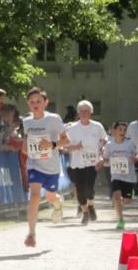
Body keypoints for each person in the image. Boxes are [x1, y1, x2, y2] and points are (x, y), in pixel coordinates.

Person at [21, 87, 69, 246]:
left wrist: (51, 144)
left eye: (38, 101)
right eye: (32, 102)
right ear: (28, 104)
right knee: (34, 196)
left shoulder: (53, 119)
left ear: (45, 103)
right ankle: (31, 234)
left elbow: (67, 141)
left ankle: (58, 204)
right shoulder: (26, 122)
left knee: (51, 197)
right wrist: (26, 147)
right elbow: (25, 145)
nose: (35, 104)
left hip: (51, 167)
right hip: (34, 165)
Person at [65, 100, 107, 225]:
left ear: (91, 112)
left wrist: (102, 151)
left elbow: (105, 140)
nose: (84, 113)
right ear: (78, 113)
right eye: (82, 111)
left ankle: (91, 204)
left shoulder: (97, 126)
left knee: (89, 188)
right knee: (80, 189)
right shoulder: (71, 128)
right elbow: (65, 147)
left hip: (92, 162)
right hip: (77, 163)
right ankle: (85, 212)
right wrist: (75, 147)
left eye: (87, 111)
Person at [100, 121, 138, 230]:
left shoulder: (130, 143)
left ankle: (128, 196)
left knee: (126, 201)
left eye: (124, 130)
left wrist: (136, 158)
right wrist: (102, 161)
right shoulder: (109, 145)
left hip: (129, 177)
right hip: (116, 175)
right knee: (116, 196)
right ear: (114, 131)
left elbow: (137, 153)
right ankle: (121, 220)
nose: (122, 132)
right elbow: (105, 158)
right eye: (120, 129)